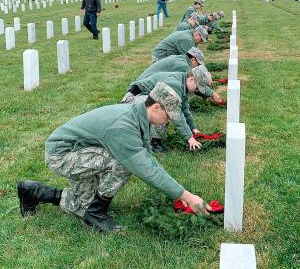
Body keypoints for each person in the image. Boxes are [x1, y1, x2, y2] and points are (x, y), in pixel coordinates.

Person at [17, 83, 212, 233]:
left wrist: (178, 193)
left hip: (81, 152)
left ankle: (32, 191)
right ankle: (96, 213)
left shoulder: (137, 115)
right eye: (169, 116)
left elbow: (148, 158)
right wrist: (186, 196)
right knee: (123, 163)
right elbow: (144, 167)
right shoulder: (124, 126)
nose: (169, 121)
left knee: (81, 205)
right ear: (156, 108)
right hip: (61, 156)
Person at [122, 66, 223, 152]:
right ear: (191, 79)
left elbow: (184, 108)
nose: (197, 90)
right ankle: (154, 142)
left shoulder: (183, 83)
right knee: (165, 111)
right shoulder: (175, 85)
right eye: (197, 87)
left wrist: (193, 127)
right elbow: (177, 115)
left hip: (145, 99)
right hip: (132, 100)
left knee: (168, 107)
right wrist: (189, 138)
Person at [136, 47, 204, 81]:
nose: (197, 66)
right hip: (141, 88)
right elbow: (188, 83)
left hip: (145, 81)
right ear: (193, 60)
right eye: (198, 64)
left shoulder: (180, 58)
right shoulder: (183, 66)